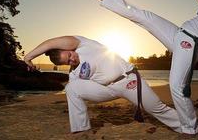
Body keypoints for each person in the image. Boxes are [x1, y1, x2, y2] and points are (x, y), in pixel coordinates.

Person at [96, 0, 198, 135]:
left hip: (190, 44)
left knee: (177, 86)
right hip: (180, 34)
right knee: (145, 17)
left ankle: (191, 130)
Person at [24, 35, 183, 133]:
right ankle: (81, 130)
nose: (72, 59)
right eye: (68, 61)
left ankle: (187, 127)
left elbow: (50, 43)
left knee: (156, 108)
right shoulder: (74, 72)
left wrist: (28, 57)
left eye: (70, 55)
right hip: (107, 89)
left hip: (128, 80)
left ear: (69, 48)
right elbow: (79, 90)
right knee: (72, 88)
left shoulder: (83, 44)